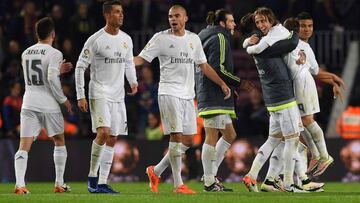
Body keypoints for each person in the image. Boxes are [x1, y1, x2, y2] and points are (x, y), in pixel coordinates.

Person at [134, 5, 231, 194]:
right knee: (176, 136)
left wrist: (222, 84)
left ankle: (156, 170)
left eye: (177, 16)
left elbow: (204, 66)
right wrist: (121, 61)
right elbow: (141, 59)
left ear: (185, 18)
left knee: (188, 140)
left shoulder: (193, 39)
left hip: (188, 95)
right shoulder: (160, 38)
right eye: (170, 16)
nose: (173, 19)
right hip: (169, 92)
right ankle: (178, 185)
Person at [75, 0, 138, 194]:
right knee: (103, 132)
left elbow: (128, 63)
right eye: (117, 12)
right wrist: (80, 95)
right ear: (107, 15)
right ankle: (92, 178)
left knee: (112, 138)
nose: (121, 15)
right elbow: (79, 67)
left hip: (118, 95)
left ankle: (102, 183)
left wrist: (133, 81)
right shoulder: (96, 39)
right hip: (99, 92)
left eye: (122, 12)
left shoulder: (126, 39)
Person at [241, 7, 303, 192]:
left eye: (263, 21)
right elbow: (291, 43)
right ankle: (289, 184)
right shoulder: (273, 37)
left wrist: (246, 46)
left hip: (271, 99)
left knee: (273, 140)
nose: (260, 25)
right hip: (283, 96)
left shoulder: (271, 37)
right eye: (258, 22)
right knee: (292, 140)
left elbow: (256, 47)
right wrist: (295, 33)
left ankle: (252, 176)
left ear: (271, 19)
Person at [196, 9, 255, 192]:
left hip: (214, 91)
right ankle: (208, 181)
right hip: (213, 93)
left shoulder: (206, 37)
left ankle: (211, 176)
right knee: (212, 137)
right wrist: (238, 82)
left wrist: (228, 86)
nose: (234, 24)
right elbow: (218, 68)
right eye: (231, 21)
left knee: (229, 135)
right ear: (222, 24)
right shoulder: (220, 38)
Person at [14, 17, 73, 194]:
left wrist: (56, 70)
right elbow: (49, 78)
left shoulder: (25, 53)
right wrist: (64, 99)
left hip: (29, 102)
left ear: (36, 34)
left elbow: (39, 73)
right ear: (53, 35)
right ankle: (59, 184)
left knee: (24, 145)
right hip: (48, 104)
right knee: (59, 140)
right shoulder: (55, 53)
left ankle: (19, 185)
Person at [296, 12, 345, 176]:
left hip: (303, 89)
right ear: (297, 28)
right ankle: (307, 171)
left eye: (309, 26)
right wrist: (333, 79)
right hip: (298, 88)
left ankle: (320, 157)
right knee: (299, 132)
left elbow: (315, 72)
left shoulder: (305, 47)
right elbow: (315, 72)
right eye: (303, 26)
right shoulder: (295, 44)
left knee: (303, 126)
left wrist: (333, 80)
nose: (306, 29)